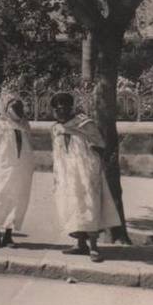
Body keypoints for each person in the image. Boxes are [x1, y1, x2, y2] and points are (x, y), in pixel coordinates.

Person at [49, 92, 122, 263]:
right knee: (74, 207)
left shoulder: (85, 124)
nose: (61, 109)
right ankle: (80, 244)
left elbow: (100, 145)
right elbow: (57, 153)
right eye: (57, 106)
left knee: (90, 206)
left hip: (86, 172)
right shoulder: (55, 129)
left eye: (64, 105)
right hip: (67, 174)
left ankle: (94, 247)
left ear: (70, 107)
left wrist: (92, 168)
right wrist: (57, 174)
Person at [0, 91, 35, 249]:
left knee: (16, 200)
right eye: (13, 106)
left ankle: (8, 236)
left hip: (20, 170)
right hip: (1, 169)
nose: (18, 109)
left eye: (19, 106)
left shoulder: (24, 124)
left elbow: (29, 146)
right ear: (6, 107)